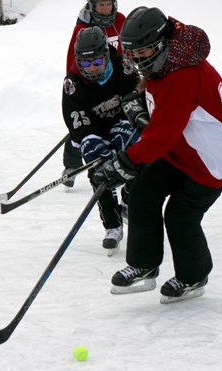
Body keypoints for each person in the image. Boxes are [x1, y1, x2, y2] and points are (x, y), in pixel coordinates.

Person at [92, 7, 222, 303]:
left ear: (162, 42)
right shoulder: (168, 60)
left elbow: (161, 135)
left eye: (144, 53)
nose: (139, 60)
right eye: (133, 54)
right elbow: (160, 108)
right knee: (142, 192)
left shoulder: (183, 75)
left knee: (180, 216)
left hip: (213, 160)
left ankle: (194, 277)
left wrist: (124, 162)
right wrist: (139, 103)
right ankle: (144, 264)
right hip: (183, 148)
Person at [62, 26, 138, 254]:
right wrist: (91, 140)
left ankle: (128, 200)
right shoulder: (73, 84)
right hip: (95, 129)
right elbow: (76, 121)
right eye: (85, 64)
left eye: (96, 61)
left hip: (121, 122)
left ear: (106, 55)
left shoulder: (122, 67)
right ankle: (113, 225)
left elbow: (137, 97)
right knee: (99, 170)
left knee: (137, 155)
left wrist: (127, 123)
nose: (91, 68)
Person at [62, 0, 126, 188]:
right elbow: (72, 62)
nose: (105, 9)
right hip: (88, 85)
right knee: (80, 130)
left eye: (108, 4)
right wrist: (77, 93)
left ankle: (116, 163)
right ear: (92, 6)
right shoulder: (83, 28)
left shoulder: (121, 20)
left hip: (113, 79)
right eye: (101, 5)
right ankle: (71, 167)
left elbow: (124, 49)